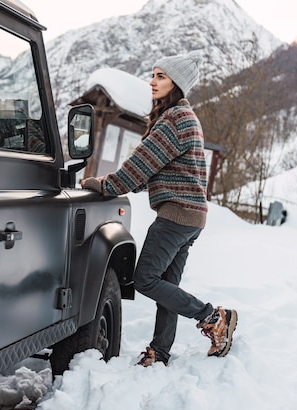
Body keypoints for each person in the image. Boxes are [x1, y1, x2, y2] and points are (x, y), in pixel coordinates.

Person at [81, 50, 237, 366]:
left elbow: (139, 165)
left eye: (160, 76)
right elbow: (151, 170)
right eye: (153, 75)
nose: (152, 82)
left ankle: (213, 317)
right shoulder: (183, 118)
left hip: (176, 215)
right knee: (167, 284)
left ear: (176, 84)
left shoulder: (175, 119)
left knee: (146, 279)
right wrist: (131, 183)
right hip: (191, 216)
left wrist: (102, 184)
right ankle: (161, 350)